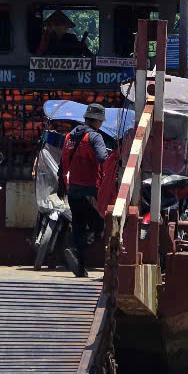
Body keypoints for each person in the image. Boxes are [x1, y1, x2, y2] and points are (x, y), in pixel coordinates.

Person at [60, 103, 109, 278]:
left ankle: (80, 269)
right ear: (98, 120)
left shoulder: (69, 137)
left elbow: (63, 162)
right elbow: (103, 158)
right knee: (100, 227)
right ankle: (75, 249)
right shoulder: (95, 137)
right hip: (90, 191)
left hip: (72, 190)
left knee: (79, 227)